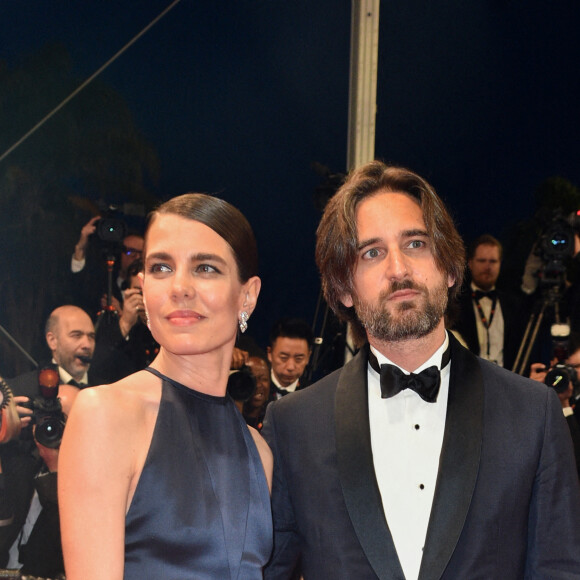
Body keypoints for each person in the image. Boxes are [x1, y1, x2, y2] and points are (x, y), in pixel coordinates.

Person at [262, 161, 580, 579]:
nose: (398, 268)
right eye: (372, 252)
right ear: (343, 288)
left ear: (450, 267)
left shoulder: (532, 413)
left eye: (415, 244)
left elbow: (558, 569)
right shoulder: (292, 426)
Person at [59, 193, 273, 579]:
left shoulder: (259, 453)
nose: (180, 287)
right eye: (160, 268)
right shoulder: (105, 416)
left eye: (206, 268)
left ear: (247, 295)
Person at [0, 305, 93, 575]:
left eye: (91, 336)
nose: (86, 344)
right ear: (52, 340)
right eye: (76, 335)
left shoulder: (108, 392)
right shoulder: (18, 391)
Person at [451, 234, 524, 370]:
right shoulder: (455, 304)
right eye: (482, 261)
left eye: (493, 261)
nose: (487, 267)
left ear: (500, 264)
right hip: (469, 380)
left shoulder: (514, 305)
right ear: (470, 263)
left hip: (507, 379)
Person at [529, 331, 580, 477]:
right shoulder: (541, 398)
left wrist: (564, 405)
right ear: (552, 365)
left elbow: (573, 462)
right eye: (563, 368)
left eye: (575, 367)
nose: (568, 375)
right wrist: (530, 393)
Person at [267, 317, 313, 399]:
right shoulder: (256, 388)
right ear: (270, 353)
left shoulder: (313, 395)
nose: (290, 367)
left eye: (298, 359)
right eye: (284, 358)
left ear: (308, 357)